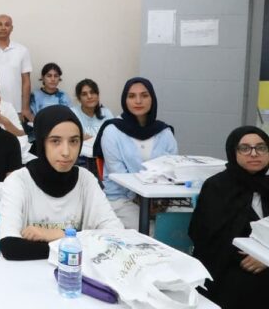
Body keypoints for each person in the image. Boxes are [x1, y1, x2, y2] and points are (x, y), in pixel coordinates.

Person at [0, 106, 123, 260]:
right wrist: (76, 245)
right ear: (42, 143)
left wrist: (56, 234)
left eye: (74, 141)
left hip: (74, 276)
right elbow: (11, 247)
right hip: (25, 275)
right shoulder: (18, 181)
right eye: (55, 141)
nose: (66, 152)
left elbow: (117, 236)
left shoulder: (86, 180)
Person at [189, 126, 269, 309]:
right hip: (229, 264)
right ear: (233, 152)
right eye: (245, 148)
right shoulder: (217, 187)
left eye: (261, 147)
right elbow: (207, 238)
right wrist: (255, 256)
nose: (254, 153)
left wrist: (266, 258)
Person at [93, 77, 177, 230]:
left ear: (152, 99)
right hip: (122, 199)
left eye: (144, 95)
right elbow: (119, 177)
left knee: (182, 226)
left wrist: (160, 201)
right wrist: (145, 201)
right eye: (131, 96)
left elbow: (171, 170)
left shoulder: (164, 132)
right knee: (154, 232)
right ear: (125, 100)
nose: (138, 101)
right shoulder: (112, 130)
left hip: (159, 200)